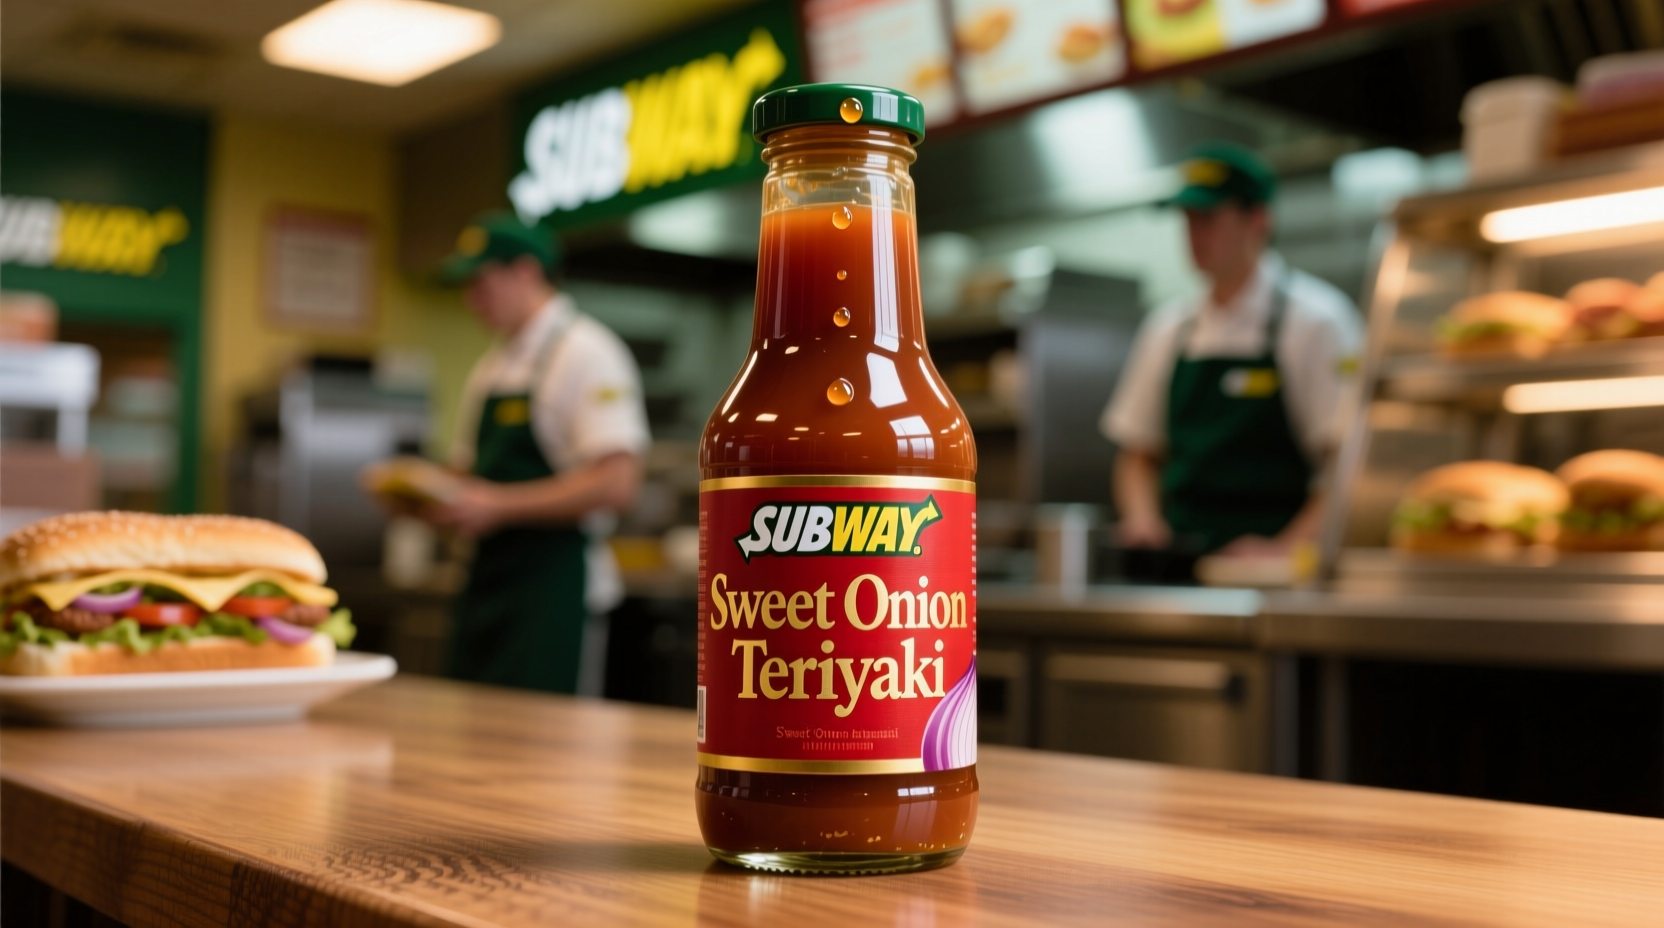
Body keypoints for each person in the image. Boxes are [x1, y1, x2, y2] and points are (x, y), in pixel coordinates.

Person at [1101, 142, 1362, 557]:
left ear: (1257, 220)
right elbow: (1138, 455)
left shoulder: (1317, 321)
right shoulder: (1168, 327)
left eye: (1207, 218)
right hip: (1179, 567)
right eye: (1186, 219)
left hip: (1277, 574)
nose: (1192, 234)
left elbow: (1349, 464)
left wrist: (1284, 550)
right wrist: (1143, 519)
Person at [429, 211, 649, 693]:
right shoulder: (493, 364)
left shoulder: (587, 352)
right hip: (489, 584)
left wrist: (497, 506)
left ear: (525, 272)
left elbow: (617, 483)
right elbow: (468, 472)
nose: (472, 302)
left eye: (481, 284)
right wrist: (422, 494)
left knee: (549, 755)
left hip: (554, 591)